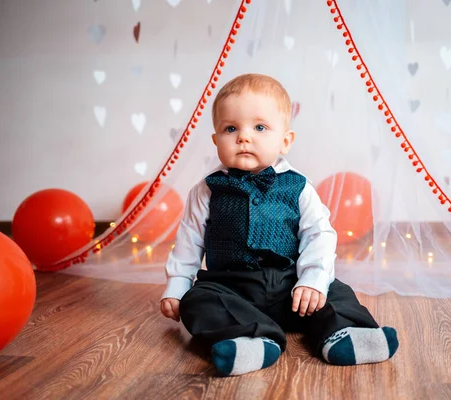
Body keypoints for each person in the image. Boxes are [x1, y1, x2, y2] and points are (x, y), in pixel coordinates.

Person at [160, 73, 398, 376]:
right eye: (230, 128)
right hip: (231, 288)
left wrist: (312, 280)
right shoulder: (206, 190)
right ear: (215, 140)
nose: (243, 137)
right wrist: (177, 286)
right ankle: (253, 339)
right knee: (198, 301)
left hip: (292, 288)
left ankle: (345, 332)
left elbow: (319, 234)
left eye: (260, 127)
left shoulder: (299, 187)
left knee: (335, 291)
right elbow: (189, 240)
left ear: (285, 141)